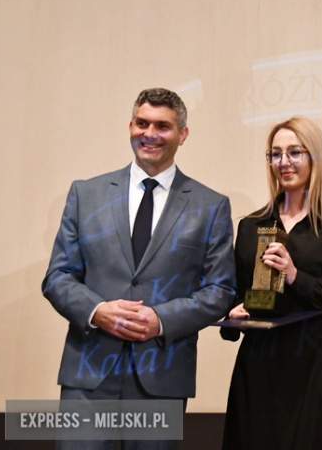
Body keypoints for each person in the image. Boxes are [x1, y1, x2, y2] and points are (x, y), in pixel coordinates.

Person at [42, 88, 237, 450]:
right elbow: (57, 277)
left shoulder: (211, 206)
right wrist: (98, 311)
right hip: (88, 374)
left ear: (183, 135)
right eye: (142, 123)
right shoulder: (86, 194)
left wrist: (160, 320)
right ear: (130, 126)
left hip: (162, 376)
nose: (149, 134)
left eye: (163, 126)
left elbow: (221, 290)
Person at [220, 116, 322, 450]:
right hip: (259, 367)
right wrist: (234, 313)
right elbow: (233, 295)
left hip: (318, 369)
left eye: (295, 152)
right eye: (275, 154)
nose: (284, 162)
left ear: (316, 158)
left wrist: (297, 277)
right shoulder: (251, 226)